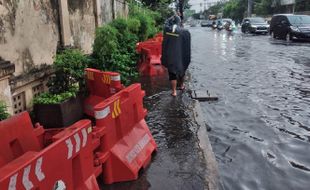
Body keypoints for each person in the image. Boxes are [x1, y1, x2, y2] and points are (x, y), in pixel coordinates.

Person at [162, 12, 191, 97]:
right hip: (181, 56)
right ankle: (181, 86)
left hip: (170, 56)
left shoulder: (167, 30)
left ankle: (174, 91)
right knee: (182, 71)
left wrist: (171, 17)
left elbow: (165, 24)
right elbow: (187, 46)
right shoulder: (185, 32)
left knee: (172, 74)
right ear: (180, 22)